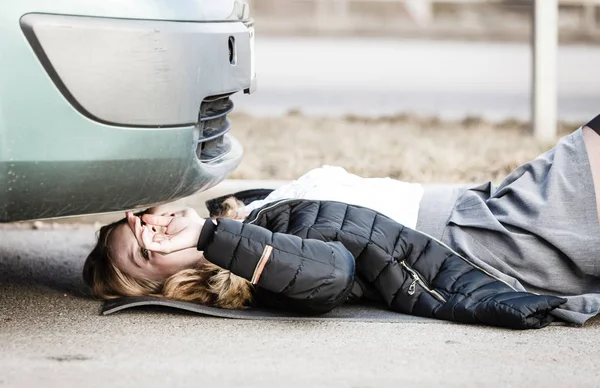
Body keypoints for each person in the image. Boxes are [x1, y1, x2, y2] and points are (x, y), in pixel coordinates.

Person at [83, 115, 600, 329]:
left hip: (483, 208)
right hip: (488, 242)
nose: (147, 224)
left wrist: (205, 220)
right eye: (139, 245)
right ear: (170, 282)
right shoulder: (255, 275)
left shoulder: (243, 220)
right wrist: (206, 236)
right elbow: (330, 275)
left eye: (137, 218)